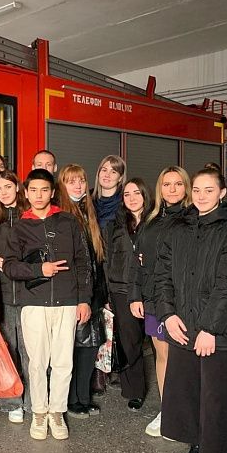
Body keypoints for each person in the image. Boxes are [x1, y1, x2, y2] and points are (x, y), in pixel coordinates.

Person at [155, 165, 227, 453]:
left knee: (218, 397)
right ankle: (199, 444)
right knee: (189, 393)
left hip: (219, 332)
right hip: (183, 326)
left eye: (209, 190)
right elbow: (163, 275)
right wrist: (168, 315)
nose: (201, 196)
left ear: (222, 193)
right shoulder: (179, 229)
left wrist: (210, 329)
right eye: (196, 190)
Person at [3, 169, 92, 441]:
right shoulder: (19, 227)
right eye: (33, 190)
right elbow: (9, 266)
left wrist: (84, 300)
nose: (39, 195)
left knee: (63, 362)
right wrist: (38, 269)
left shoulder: (68, 221)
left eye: (44, 190)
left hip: (67, 302)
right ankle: (39, 412)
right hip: (34, 304)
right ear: (26, 193)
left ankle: (57, 412)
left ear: (52, 192)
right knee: (37, 363)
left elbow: (83, 262)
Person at [128, 166, 191, 437]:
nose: (172, 189)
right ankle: (167, 410)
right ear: (160, 188)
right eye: (167, 184)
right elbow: (137, 262)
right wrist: (135, 295)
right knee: (162, 356)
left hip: (182, 302)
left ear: (186, 188)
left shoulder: (193, 219)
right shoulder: (151, 221)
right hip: (154, 299)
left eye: (178, 184)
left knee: (182, 359)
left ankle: (186, 412)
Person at [57, 164, 106, 419]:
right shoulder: (62, 215)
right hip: (75, 294)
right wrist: (80, 298)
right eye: (71, 181)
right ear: (62, 185)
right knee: (75, 348)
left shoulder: (87, 210)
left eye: (81, 180)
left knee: (90, 345)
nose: (78, 185)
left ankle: (83, 397)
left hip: (92, 292)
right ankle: (72, 400)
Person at [0, 170, 30, 423]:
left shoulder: (30, 216)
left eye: (8, 187)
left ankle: (34, 401)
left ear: (17, 187)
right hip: (3, 294)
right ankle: (12, 402)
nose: (3, 192)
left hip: (29, 293)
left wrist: (16, 265)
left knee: (31, 350)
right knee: (8, 349)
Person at [105, 177, 152, 411]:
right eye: (127, 194)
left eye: (136, 193)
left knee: (154, 342)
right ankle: (134, 390)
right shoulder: (115, 224)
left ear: (145, 195)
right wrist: (108, 292)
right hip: (121, 289)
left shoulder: (155, 222)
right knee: (130, 340)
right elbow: (107, 259)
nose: (132, 198)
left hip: (152, 288)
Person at [90, 154, 126, 394]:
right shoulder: (89, 201)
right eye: (104, 169)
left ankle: (118, 367)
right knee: (97, 322)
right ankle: (98, 371)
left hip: (115, 270)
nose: (107, 174)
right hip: (93, 270)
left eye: (114, 171)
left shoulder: (125, 202)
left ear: (120, 177)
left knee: (118, 321)